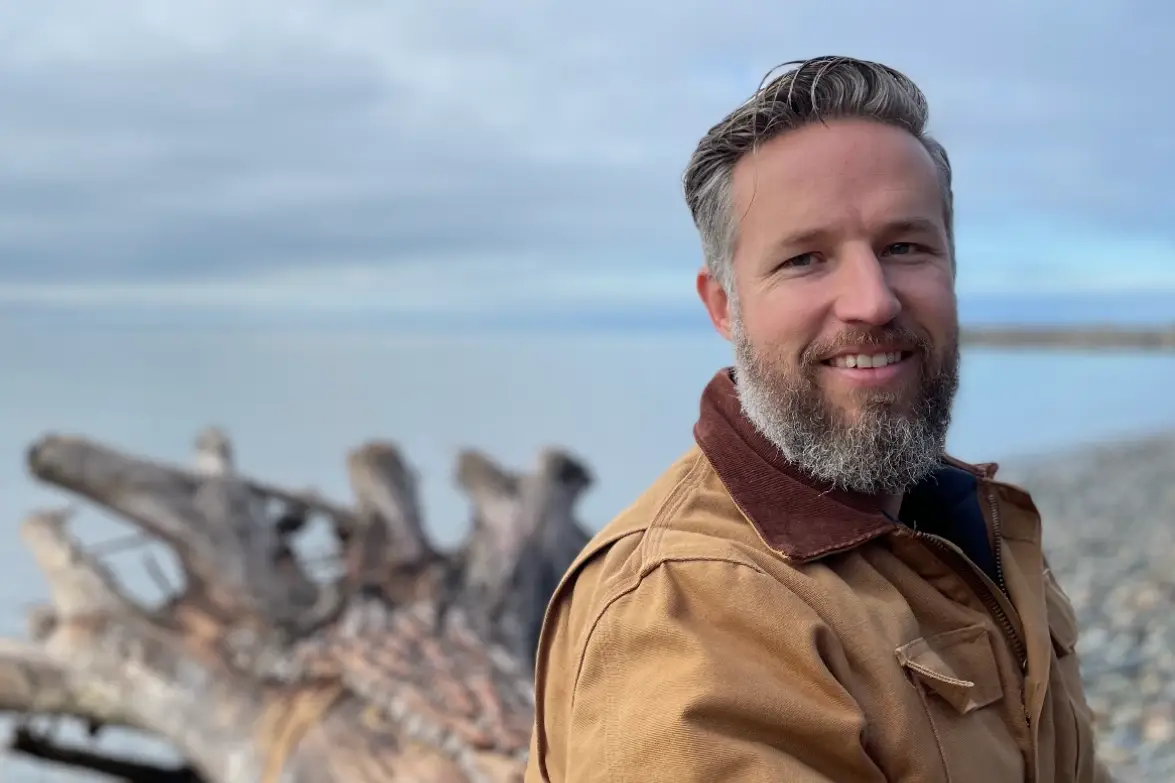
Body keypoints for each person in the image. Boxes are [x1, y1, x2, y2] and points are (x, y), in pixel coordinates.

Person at [523, 56, 1111, 782]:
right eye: (805, 258)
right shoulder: (685, 613)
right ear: (723, 307)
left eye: (904, 247)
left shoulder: (965, 520)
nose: (872, 300)